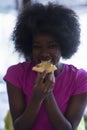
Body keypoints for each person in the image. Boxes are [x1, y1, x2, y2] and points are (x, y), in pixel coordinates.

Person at [3, 2, 87, 130]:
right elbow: (19, 127)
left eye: (52, 46)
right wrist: (36, 98)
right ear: (29, 47)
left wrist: (47, 95)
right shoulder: (16, 74)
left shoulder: (79, 78)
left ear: (63, 46)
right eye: (37, 46)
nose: (44, 53)